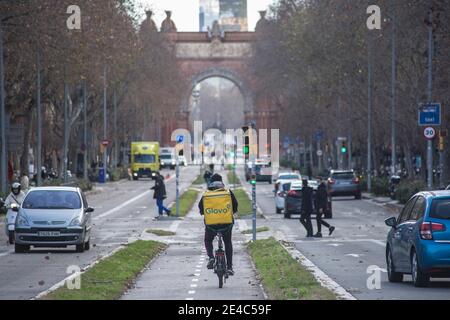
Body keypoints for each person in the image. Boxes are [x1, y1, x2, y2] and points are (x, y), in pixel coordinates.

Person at [198, 173, 238, 276]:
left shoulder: (206, 194)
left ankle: (211, 257)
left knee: (208, 240)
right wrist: (231, 212)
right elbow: (235, 204)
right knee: (228, 242)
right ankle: (229, 267)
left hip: (211, 225)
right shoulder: (228, 192)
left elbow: (201, 207)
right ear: (221, 182)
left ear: (211, 182)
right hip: (226, 224)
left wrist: (205, 213)